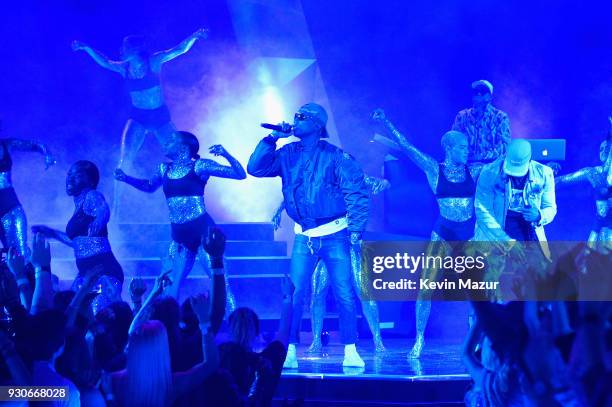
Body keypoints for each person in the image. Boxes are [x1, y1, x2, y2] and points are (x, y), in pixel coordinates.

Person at [247, 102, 369, 368]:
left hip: (335, 233)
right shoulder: (287, 153)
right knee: (295, 292)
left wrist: (356, 232)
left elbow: (358, 194)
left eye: (301, 117)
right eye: (295, 116)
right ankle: (288, 349)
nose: (295, 120)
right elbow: (255, 168)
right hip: (304, 235)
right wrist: (271, 139)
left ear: (316, 124)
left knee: (344, 292)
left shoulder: (336, 156)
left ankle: (350, 348)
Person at [373, 108, 483, 358]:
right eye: (462, 147)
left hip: (467, 234)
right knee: (425, 288)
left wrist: (543, 167)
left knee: (476, 290)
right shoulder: (434, 169)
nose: (467, 151)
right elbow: (407, 147)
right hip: (443, 233)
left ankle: (475, 342)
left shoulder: (474, 171)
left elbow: (503, 166)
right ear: (450, 148)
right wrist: (386, 121)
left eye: (467, 147)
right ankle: (419, 340)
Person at [114, 131, 245, 302]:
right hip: (180, 238)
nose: (165, 143)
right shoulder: (164, 168)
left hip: (204, 236)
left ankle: (237, 326)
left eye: (170, 141)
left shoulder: (199, 166)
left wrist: (226, 154)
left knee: (220, 286)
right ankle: (169, 326)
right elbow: (148, 186)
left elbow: (239, 174)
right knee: (169, 287)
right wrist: (126, 179)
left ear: (183, 147)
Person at [270, 175, 389, 354]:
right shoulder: (316, 180)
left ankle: (378, 340)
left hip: (351, 243)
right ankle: (316, 340)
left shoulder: (348, 176)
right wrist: (279, 210)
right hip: (329, 242)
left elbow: (382, 183)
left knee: (363, 291)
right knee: (318, 291)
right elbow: (293, 191)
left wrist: (381, 184)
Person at [72, 29, 208, 167]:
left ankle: (190, 184)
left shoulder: (153, 62)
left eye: (124, 47)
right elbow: (105, 61)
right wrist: (86, 48)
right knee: (125, 158)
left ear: (134, 49)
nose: (121, 50)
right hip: (139, 116)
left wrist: (194, 36)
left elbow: (179, 50)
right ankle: (118, 188)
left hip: (159, 116)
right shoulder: (124, 68)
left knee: (179, 156)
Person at [33, 161, 123, 313]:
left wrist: (100, 219)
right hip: (86, 274)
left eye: (77, 174)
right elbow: (79, 243)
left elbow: (103, 208)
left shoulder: (91, 195)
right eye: (69, 175)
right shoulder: (78, 207)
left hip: (104, 273)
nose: (70, 178)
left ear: (91, 180)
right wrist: (53, 233)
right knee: (70, 316)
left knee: (95, 322)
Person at [474, 138, 557, 297]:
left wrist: (539, 215)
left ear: (530, 159)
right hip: (495, 232)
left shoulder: (544, 173)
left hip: (528, 231)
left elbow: (550, 207)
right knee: (486, 285)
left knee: (541, 278)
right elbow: (483, 212)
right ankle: (486, 319)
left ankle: (533, 317)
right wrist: (508, 242)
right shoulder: (489, 172)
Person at [0, 124, 55, 256]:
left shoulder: (7, 144)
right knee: (9, 253)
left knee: (19, 251)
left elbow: (35, 145)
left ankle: (31, 274)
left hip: (10, 205)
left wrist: (48, 154)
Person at [555, 117, 611, 247]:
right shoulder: (592, 173)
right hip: (601, 231)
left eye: (607, 148)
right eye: (601, 149)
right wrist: (544, 179)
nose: (604, 151)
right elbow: (563, 180)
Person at [452, 80, 511, 163]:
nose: (479, 93)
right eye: (476, 91)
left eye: (483, 91)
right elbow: (453, 141)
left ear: (490, 96)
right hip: (467, 165)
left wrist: (483, 157)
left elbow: (505, 146)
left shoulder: (500, 117)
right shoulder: (462, 116)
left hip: (491, 167)